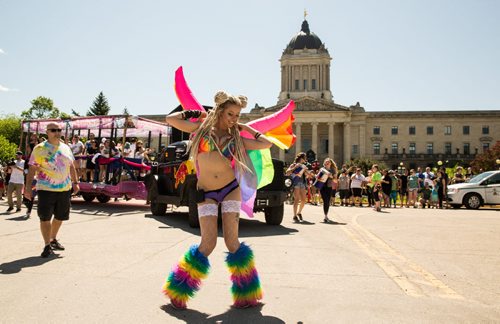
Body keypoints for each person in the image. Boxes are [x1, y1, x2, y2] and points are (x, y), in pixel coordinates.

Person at [162, 91, 272, 309]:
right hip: (206, 193)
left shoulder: (237, 139)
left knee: (233, 243)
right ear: (220, 111)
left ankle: (247, 295)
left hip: (230, 189)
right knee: (208, 243)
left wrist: (246, 128)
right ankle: (178, 291)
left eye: (238, 115)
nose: (234, 118)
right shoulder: (201, 131)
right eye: (230, 113)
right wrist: (196, 114)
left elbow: (266, 144)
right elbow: (171, 120)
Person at [24, 123, 80, 258]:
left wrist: (76, 182)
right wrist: (27, 188)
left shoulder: (66, 147)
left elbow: (71, 165)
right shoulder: (40, 148)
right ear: (47, 132)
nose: (57, 132)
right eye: (53, 130)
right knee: (45, 217)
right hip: (46, 188)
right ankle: (46, 245)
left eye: (59, 130)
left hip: (65, 189)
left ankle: (53, 239)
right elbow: (32, 169)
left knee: (60, 216)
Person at [286, 152, 311, 222]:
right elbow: (287, 172)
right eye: (304, 158)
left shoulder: (304, 166)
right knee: (297, 199)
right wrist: (295, 167)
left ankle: (299, 212)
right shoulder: (294, 164)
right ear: (301, 158)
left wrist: (308, 174)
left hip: (302, 183)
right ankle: (294, 216)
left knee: (303, 200)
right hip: (295, 183)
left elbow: (307, 175)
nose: (305, 159)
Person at [314, 158, 336, 222]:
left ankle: (326, 215)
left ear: (330, 163)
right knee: (325, 200)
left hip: (329, 187)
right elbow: (317, 177)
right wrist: (316, 176)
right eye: (326, 162)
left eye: (328, 162)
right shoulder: (322, 169)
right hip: (322, 186)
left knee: (327, 201)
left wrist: (331, 176)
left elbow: (335, 180)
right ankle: (325, 216)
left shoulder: (333, 170)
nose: (327, 163)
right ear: (324, 163)